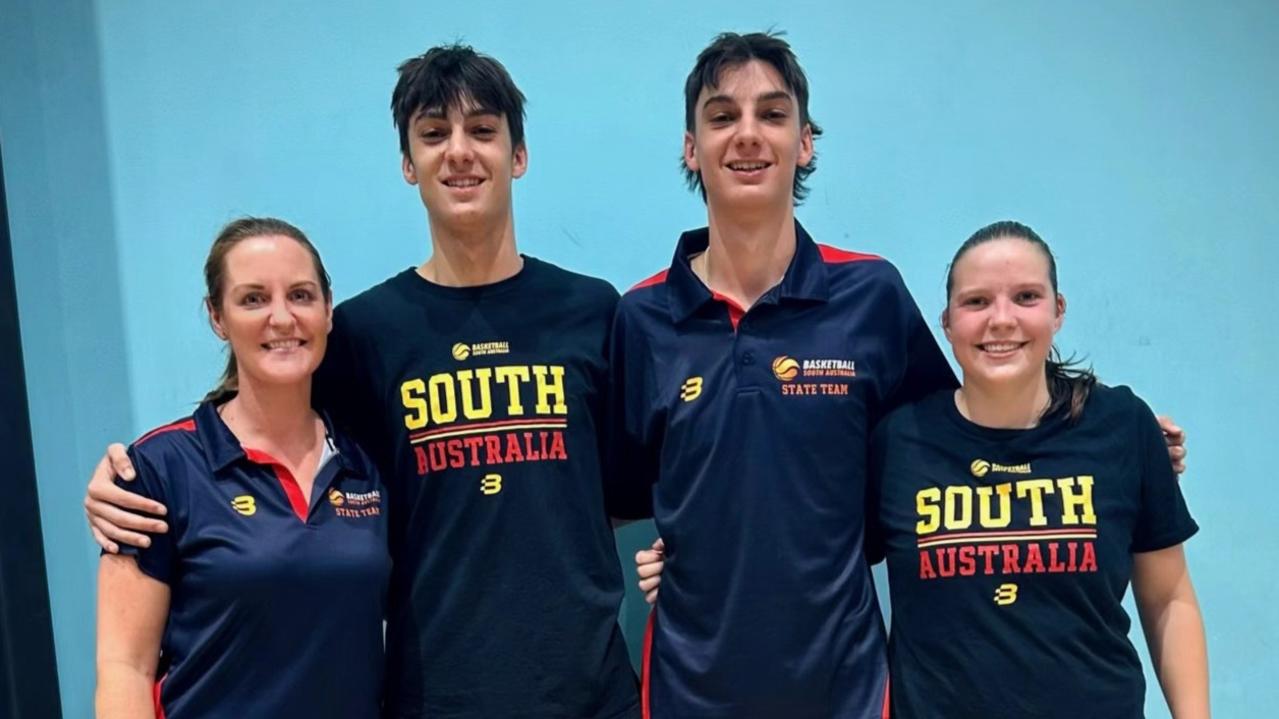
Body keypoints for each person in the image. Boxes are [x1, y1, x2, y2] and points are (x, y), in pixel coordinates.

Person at [608, 33, 1188, 719]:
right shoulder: (640, 318)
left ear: (805, 143)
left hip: (849, 690)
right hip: (687, 688)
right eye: (721, 116)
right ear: (689, 147)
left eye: (771, 113)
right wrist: (679, 547)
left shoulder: (871, 294)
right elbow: (621, 495)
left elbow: (963, 427)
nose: (746, 135)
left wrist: (1101, 434)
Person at [86, 46, 640, 719]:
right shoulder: (363, 333)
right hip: (435, 695)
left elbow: (618, 486)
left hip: (591, 692)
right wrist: (126, 480)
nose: (458, 152)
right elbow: (267, 438)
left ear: (517, 155)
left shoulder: (592, 310)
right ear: (408, 164)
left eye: (483, 131)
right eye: (434, 134)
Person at [634, 221, 1209, 718]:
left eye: (1027, 297)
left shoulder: (1122, 428)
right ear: (947, 323)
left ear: (1059, 311)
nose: (1001, 320)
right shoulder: (901, 441)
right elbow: (810, 531)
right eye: (977, 302)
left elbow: (1170, 599)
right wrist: (694, 561)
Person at [95, 217, 390, 718]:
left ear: (328, 310)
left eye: (300, 295)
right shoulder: (158, 471)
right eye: (253, 299)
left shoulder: (366, 464)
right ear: (217, 316)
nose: (281, 318)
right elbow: (125, 667)